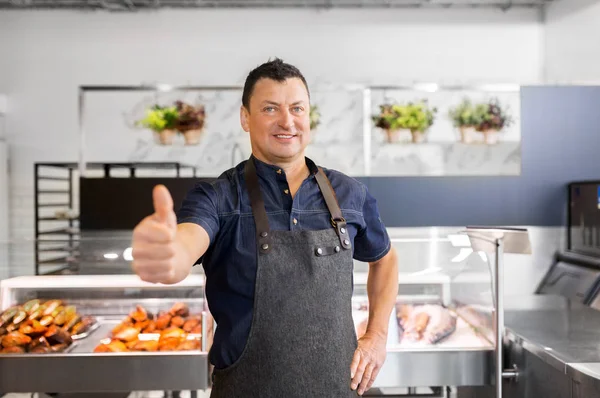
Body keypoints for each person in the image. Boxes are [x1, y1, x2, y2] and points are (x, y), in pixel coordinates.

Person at [131, 58, 399, 397]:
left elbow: (386, 259)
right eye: (270, 108)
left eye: (297, 108)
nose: (287, 121)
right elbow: (184, 245)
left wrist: (376, 335)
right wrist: (169, 255)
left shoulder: (349, 193)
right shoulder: (218, 198)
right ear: (246, 118)